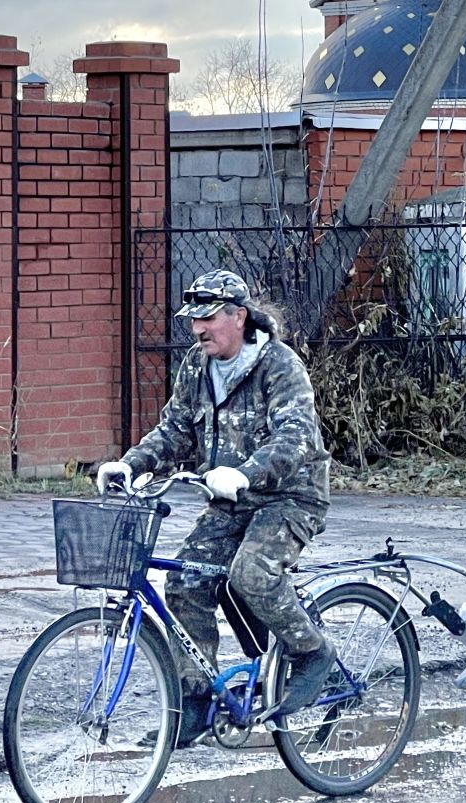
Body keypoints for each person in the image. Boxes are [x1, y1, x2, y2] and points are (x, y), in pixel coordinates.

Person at [97, 269, 334, 747]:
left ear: (238, 317)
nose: (198, 329)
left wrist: (246, 473)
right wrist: (130, 463)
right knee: (185, 581)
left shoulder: (279, 366)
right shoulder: (196, 365)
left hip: (290, 496)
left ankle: (312, 653)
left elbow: (295, 438)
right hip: (229, 499)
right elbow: (175, 428)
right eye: (194, 321)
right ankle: (195, 701)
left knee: (251, 573)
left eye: (208, 319)